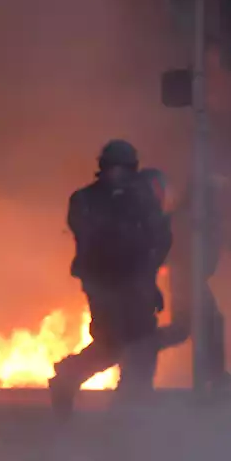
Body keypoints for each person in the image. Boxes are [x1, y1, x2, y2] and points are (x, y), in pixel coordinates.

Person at [49, 140, 171, 415]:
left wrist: (149, 282)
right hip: (103, 282)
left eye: (124, 169)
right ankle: (68, 378)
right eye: (114, 168)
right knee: (111, 344)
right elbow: (96, 239)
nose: (119, 174)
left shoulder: (140, 201)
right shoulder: (86, 200)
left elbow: (156, 240)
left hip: (135, 281)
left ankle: (131, 402)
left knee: (143, 342)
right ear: (103, 168)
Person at [160, 174, 231, 392]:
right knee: (209, 321)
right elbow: (177, 247)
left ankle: (138, 351)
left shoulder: (204, 217)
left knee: (182, 329)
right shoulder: (187, 217)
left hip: (191, 277)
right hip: (186, 278)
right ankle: (217, 377)